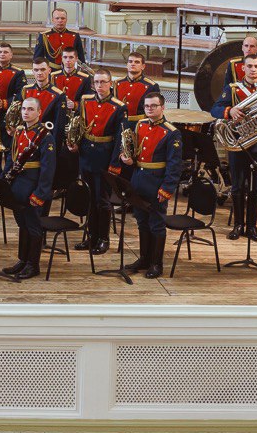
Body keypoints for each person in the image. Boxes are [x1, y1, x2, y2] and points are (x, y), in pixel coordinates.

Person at [114, 93, 181, 278]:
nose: (150, 109)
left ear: (162, 107)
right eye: (147, 106)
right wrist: (127, 158)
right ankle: (144, 258)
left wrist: (167, 189)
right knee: (142, 221)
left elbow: (174, 166)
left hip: (157, 183)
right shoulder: (140, 125)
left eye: (154, 106)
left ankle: (156, 264)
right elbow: (134, 151)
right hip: (138, 180)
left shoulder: (171, 132)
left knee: (156, 223)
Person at [71, 70, 127, 255]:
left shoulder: (119, 107)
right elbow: (78, 125)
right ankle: (91, 237)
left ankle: (103, 238)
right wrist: (74, 143)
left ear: (111, 84)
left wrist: (115, 164)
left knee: (102, 201)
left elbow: (120, 139)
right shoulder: (86, 101)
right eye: (96, 82)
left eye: (103, 82)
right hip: (86, 156)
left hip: (104, 158)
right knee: (89, 198)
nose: (100, 86)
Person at [212, 55, 257, 240]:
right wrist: (230, 111)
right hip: (238, 144)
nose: (253, 69)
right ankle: (238, 225)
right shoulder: (233, 89)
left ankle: (251, 227)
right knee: (237, 186)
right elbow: (215, 109)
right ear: (242, 69)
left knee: (255, 188)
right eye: (249, 66)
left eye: (256, 66)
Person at [5, 96, 56, 280]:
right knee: (22, 225)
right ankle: (22, 260)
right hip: (18, 184)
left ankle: (33, 265)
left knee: (33, 226)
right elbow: (12, 157)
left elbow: (48, 169)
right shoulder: (19, 131)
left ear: (39, 112)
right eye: (24, 109)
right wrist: (5, 179)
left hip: (34, 186)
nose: (26, 112)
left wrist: (40, 193)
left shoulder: (46, 136)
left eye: (30, 109)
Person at [114, 51, 161, 127]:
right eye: (130, 61)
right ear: (127, 65)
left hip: (140, 125)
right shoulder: (117, 83)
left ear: (143, 66)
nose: (133, 64)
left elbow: (155, 112)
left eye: (137, 62)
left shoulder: (151, 86)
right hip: (119, 125)